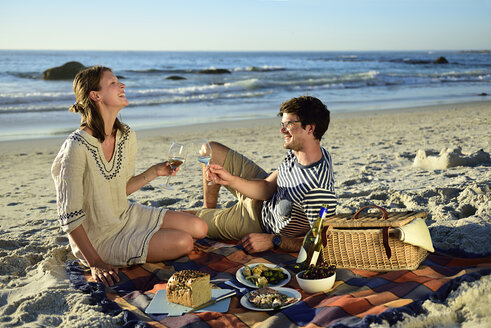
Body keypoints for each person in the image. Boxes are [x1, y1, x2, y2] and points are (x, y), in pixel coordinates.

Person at [51, 66, 207, 287]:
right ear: (95, 96)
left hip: (125, 214)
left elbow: (121, 188)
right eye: (113, 83)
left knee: (200, 228)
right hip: (98, 238)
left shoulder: (126, 136)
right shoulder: (76, 146)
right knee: (184, 242)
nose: (122, 85)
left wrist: (154, 171)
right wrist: (95, 262)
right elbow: (69, 215)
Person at [191, 96, 336, 254]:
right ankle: (208, 210)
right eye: (283, 124)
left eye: (289, 124)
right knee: (210, 150)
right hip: (266, 195)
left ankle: (205, 220)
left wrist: (274, 240)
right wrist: (230, 180)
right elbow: (267, 187)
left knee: (186, 221)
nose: (282, 130)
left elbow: (322, 241)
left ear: (310, 129)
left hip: (258, 222)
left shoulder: (318, 190)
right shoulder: (303, 152)